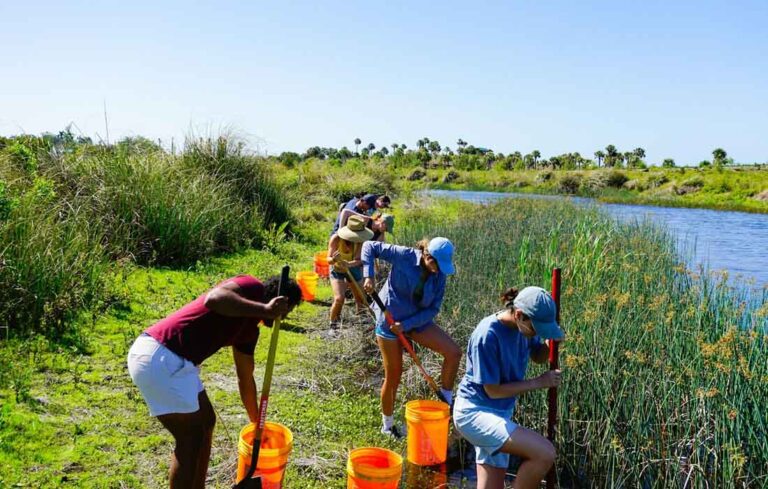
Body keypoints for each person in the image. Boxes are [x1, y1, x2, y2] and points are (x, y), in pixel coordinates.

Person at [127, 274, 302, 489]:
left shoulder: (248, 332)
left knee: (207, 422)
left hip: (177, 363)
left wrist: (257, 424)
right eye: (287, 310)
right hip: (161, 356)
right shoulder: (251, 287)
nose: (282, 318)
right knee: (190, 440)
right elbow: (215, 299)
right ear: (279, 300)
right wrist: (265, 309)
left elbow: (245, 379)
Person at [453, 286, 565, 489]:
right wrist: (539, 382)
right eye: (536, 329)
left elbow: (537, 356)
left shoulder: (525, 328)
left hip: (500, 413)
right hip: (473, 413)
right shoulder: (487, 335)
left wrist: (550, 343)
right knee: (544, 453)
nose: (536, 334)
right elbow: (492, 390)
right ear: (520, 315)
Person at [361, 237, 462, 438]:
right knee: (394, 376)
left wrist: (406, 326)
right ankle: (387, 427)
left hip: (415, 321)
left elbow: (433, 308)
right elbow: (369, 246)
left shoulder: (440, 274)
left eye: (442, 266)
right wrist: (368, 276)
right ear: (426, 255)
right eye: (435, 264)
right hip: (389, 320)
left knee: (454, 353)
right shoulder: (404, 256)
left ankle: (446, 403)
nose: (438, 270)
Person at [328, 215, 374, 329]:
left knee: (360, 298)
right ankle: (333, 325)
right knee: (339, 299)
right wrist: (334, 259)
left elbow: (359, 261)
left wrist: (348, 264)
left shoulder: (360, 242)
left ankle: (361, 322)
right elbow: (328, 259)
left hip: (353, 268)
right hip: (337, 269)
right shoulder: (336, 239)